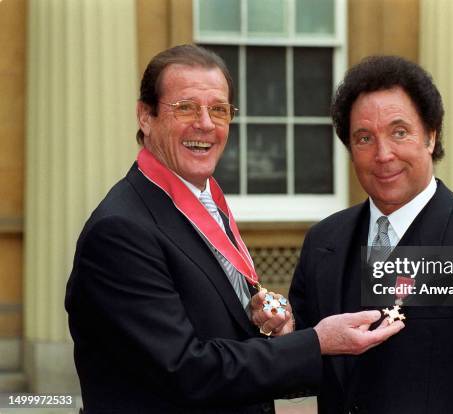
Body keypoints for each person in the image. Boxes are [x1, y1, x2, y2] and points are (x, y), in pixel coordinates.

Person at [64, 45, 404, 414]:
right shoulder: (120, 231)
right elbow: (187, 370)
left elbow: (218, 329)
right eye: (186, 107)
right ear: (145, 116)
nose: (206, 124)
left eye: (219, 110)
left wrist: (267, 323)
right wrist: (315, 342)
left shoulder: (204, 200)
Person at [289, 56, 453, 414]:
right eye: (364, 138)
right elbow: (300, 366)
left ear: (431, 135)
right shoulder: (323, 241)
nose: (383, 155)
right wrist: (277, 329)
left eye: (399, 132)